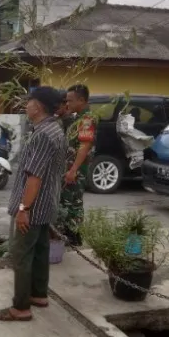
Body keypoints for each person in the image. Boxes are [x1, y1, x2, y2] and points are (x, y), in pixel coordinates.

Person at [0, 86, 67, 322]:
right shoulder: (55, 129)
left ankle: (21, 307)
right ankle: (39, 294)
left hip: (33, 207)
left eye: (30, 101)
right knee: (40, 251)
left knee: (22, 254)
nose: (26, 104)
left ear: (39, 106)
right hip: (46, 204)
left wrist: (24, 209)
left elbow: (35, 177)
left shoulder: (43, 134)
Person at [61, 84, 95, 247]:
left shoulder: (87, 119)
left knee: (74, 202)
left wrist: (73, 170)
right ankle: (69, 232)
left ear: (81, 100)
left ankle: (74, 235)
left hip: (76, 170)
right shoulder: (78, 117)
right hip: (70, 167)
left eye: (70, 101)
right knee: (68, 200)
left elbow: (84, 146)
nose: (67, 104)